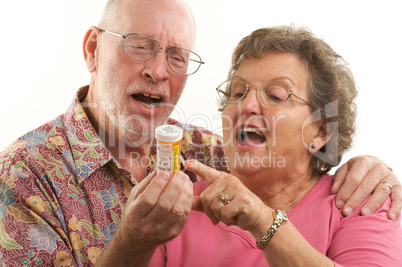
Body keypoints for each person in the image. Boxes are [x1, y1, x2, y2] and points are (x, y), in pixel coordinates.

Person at [0, 0, 400, 266]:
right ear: (92, 50)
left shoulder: (206, 154)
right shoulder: (21, 178)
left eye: (176, 56)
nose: (158, 70)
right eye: (140, 46)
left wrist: (371, 165)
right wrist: (133, 241)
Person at [149, 25, 402, 266]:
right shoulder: (181, 204)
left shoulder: (358, 202)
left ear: (321, 132)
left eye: (276, 96)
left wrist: (263, 221)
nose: (245, 106)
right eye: (237, 93)